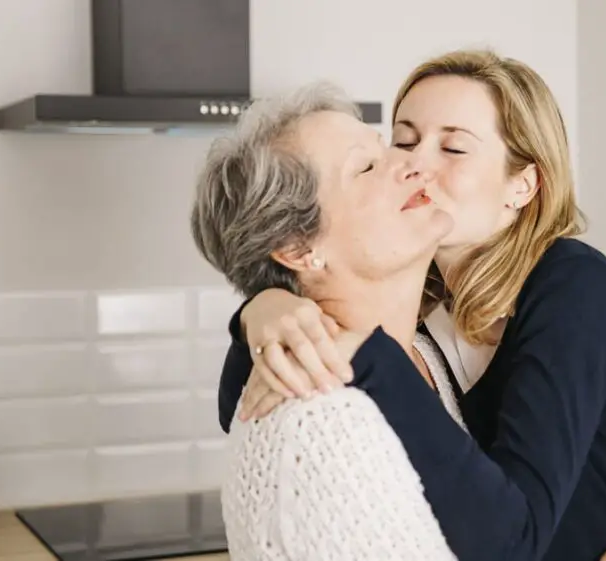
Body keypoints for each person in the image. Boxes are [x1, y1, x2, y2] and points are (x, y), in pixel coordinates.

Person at [218, 50, 606, 561]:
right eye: (403, 141)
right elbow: (240, 403)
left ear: (522, 185)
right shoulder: (421, 307)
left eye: (454, 149)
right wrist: (261, 309)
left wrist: (372, 357)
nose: (415, 164)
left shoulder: (574, 287)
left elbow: (519, 535)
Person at [190, 83, 462, 560]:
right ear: (299, 249)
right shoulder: (320, 424)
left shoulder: (429, 353)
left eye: (387, 147)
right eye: (367, 167)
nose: (414, 162)